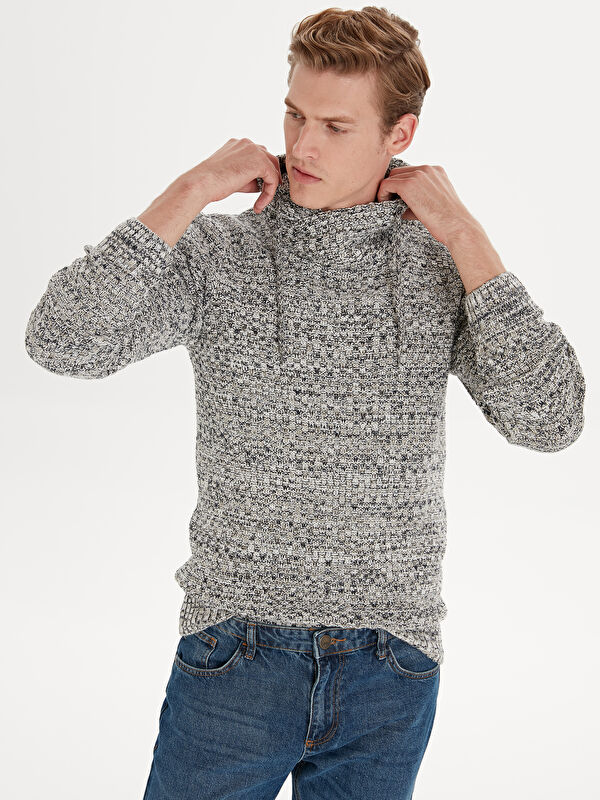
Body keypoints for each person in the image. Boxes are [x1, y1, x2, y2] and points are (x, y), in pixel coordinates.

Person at [24, 7, 586, 800]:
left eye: (335, 126)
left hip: (390, 664)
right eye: (295, 115)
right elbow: (61, 341)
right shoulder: (222, 254)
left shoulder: (437, 265)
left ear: (400, 135)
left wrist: (466, 234)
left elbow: (552, 419)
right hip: (235, 654)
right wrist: (191, 189)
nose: (303, 145)